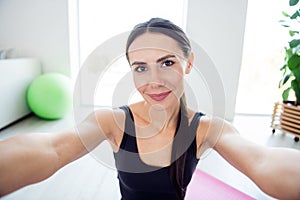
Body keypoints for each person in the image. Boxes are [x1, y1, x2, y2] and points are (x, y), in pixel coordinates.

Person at [0, 18, 300, 200]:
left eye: (167, 63)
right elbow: (52, 148)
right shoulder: (113, 121)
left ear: (189, 63)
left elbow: (263, 161)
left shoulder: (206, 128)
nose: (153, 81)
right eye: (141, 68)